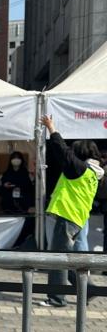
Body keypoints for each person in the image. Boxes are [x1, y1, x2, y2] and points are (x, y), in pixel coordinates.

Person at [39, 114, 104, 307]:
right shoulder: (93, 172)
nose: (72, 156)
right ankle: (88, 289)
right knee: (67, 260)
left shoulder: (80, 169)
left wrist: (51, 127)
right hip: (77, 219)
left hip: (68, 217)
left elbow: (62, 150)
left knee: (57, 260)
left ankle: (56, 298)